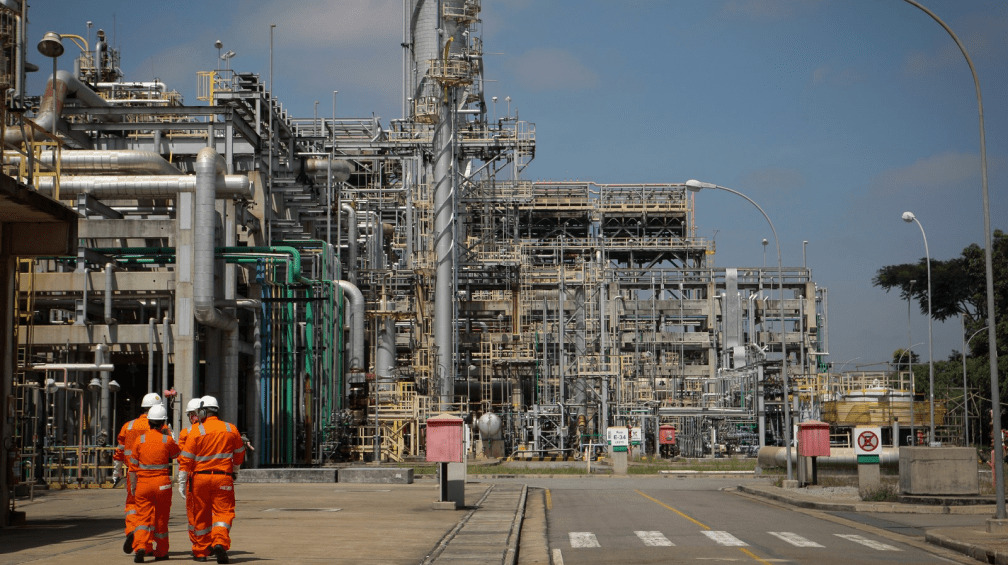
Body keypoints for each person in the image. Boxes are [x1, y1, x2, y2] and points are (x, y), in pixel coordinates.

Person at [179, 396, 245, 563]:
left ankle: (201, 552)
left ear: (202, 411)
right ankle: (220, 542)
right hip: (223, 478)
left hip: (200, 479)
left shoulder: (196, 430)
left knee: (200, 514)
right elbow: (239, 454)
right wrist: (235, 470)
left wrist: (181, 481)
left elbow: (185, 458)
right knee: (223, 513)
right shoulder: (230, 429)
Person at [128, 404, 180, 562]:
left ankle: (141, 546)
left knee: (142, 518)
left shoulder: (139, 440)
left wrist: (133, 487)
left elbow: (132, 468)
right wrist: (170, 436)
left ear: (149, 422)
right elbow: (177, 454)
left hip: (143, 484)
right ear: (163, 422)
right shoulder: (167, 439)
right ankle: (162, 552)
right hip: (162, 484)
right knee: (161, 519)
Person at [114, 392, 162, 554]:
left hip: (132, 473)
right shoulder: (158, 426)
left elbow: (119, 451)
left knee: (132, 506)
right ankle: (146, 544)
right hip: (153, 474)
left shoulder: (127, 426)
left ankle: (132, 530)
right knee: (150, 510)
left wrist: (117, 471)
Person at [178, 398, 202, 550]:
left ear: (193, 415)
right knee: (212, 511)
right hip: (216, 476)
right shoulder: (217, 429)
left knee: (194, 512)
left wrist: (181, 480)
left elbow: (183, 458)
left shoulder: (186, 433)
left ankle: (198, 544)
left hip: (194, 478)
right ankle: (212, 541)